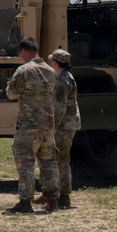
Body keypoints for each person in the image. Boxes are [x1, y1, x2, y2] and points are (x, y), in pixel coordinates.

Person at [4, 36, 59, 214]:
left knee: (26, 161)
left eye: (21, 53)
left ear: (24, 51)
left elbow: (12, 94)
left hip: (29, 125)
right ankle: (52, 201)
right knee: (49, 162)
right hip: (48, 125)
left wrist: (8, 86)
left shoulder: (24, 70)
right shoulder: (50, 70)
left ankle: (25, 201)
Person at [48, 48, 81, 210]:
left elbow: (59, 109)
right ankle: (62, 196)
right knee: (62, 159)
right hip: (67, 124)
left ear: (55, 62)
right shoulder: (65, 78)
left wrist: (51, 130)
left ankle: (62, 196)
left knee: (60, 160)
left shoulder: (62, 82)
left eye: (51, 60)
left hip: (63, 126)